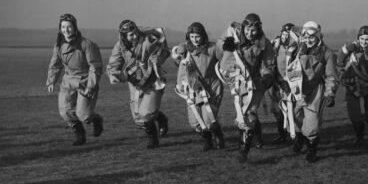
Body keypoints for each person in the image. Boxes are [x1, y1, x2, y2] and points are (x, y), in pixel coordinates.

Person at [216, 13, 275, 162]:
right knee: (244, 113)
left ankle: (243, 151)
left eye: (253, 30)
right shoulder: (233, 38)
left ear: (259, 29)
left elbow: (267, 64)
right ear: (243, 28)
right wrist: (225, 47)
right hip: (238, 83)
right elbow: (219, 54)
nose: (250, 33)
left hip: (256, 83)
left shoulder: (264, 44)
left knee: (248, 113)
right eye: (247, 30)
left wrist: (267, 75)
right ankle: (256, 135)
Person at [106, 20, 170, 149]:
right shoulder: (120, 46)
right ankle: (160, 117)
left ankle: (153, 139)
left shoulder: (149, 39)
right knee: (138, 118)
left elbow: (164, 50)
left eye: (135, 33)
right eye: (131, 35)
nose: (135, 36)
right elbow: (114, 63)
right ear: (124, 36)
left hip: (154, 81)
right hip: (135, 84)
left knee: (145, 114)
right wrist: (113, 74)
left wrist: (160, 58)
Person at [46, 13, 104, 145]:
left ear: (75, 27)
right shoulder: (59, 45)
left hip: (85, 81)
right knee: (66, 112)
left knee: (84, 115)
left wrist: (91, 86)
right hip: (68, 82)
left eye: (69, 27)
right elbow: (55, 64)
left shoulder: (87, 44)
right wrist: (51, 80)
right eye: (63, 27)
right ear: (60, 28)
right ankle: (80, 135)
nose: (66, 30)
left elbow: (95, 67)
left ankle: (97, 120)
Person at [288, 21, 338, 162]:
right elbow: (286, 67)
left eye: (312, 37)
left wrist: (330, 93)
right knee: (297, 118)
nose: (309, 40)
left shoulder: (327, 53)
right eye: (306, 37)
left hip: (316, 91)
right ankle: (299, 137)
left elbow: (331, 76)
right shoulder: (295, 50)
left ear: (318, 36)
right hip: (297, 90)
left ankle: (311, 150)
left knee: (312, 123)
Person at [172, 22, 225, 151]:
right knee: (195, 122)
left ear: (203, 36)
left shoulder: (212, 48)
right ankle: (208, 141)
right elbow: (182, 69)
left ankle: (217, 134)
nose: (195, 40)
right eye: (192, 37)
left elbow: (225, 57)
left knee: (209, 120)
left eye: (197, 36)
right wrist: (180, 85)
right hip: (193, 89)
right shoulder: (185, 50)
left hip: (211, 87)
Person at [337, 25, 368, 144]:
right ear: (358, 38)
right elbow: (339, 59)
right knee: (354, 113)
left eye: (367, 39)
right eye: (361, 39)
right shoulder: (351, 48)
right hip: (353, 85)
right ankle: (359, 133)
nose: (364, 42)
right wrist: (347, 50)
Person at [268, 23, 300, 144]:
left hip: (290, 84)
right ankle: (282, 134)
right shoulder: (276, 45)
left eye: (287, 34)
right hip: (276, 82)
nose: (284, 36)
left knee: (292, 109)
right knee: (276, 109)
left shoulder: (296, 47)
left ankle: (295, 135)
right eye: (283, 34)